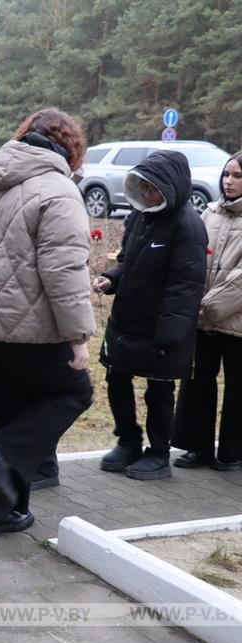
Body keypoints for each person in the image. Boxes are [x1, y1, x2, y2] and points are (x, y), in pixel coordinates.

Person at [0, 107, 95, 539]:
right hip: (27, 329)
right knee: (74, 393)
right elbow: (64, 270)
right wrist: (78, 336)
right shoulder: (59, 191)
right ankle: (3, 454)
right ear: (70, 148)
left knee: (2, 408)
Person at [94, 150, 208, 480]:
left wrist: (170, 334)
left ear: (171, 186)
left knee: (159, 388)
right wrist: (112, 278)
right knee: (116, 377)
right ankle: (128, 440)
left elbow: (186, 285)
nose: (147, 194)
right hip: (127, 320)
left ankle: (158, 453)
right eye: (142, 187)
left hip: (164, 327)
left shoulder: (189, 226)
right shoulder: (140, 216)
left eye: (153, 188)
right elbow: (128, 260)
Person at [172, 151, 242, 471]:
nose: (229, 181)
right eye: (227, 174)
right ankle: (197, 447)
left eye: (238, 176)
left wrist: (206, 306)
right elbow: (192, 257)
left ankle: (232, 452)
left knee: (238, 387)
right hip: (202, 317)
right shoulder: (210, 212)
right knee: (198, 381)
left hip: (234, 320)